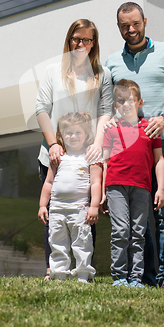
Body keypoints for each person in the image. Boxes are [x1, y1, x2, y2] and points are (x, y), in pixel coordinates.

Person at [105, 2, 164, 290]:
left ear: (145, 20)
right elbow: (107, 105)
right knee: (135, 217)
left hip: (162, 142)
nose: (130, 29)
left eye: (135, 23)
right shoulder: (111, 62)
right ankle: (144, 275)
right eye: (124, 26)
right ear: (118, 27)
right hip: (126, 148)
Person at [36, 19, 113, 280]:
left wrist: (99, 146)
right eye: (76, 39)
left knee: (86, 214)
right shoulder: (51, 71)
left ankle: (83, 270)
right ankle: (54, 270)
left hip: (87, 159)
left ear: (94, 44)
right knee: (55, 214)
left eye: (87, 40)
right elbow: (42, 110)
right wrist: (53, 143)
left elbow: (105, 112)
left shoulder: (102, 74)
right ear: (69, 40)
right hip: (55, 157)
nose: (81, 44)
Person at [102, 79, 164, 287]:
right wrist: (102, 191)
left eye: (130, 99)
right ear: (115, 105)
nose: (125, 104)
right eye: (120, 101)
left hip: (142, 187)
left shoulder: (150, 129)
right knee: (121, 230)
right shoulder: (111, 129)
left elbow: (159, 160)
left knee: (138, 233)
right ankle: (119, 276)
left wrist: (161, 189)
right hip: (115, 185)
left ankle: (136, 278)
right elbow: (105, 160)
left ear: (139, 102)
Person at [38, 112, 102, 282]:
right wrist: (43, 205)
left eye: (78, 132)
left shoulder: (91, 157)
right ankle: (59, 274)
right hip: (57, 209)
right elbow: (49, 183)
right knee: (57, 243)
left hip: (80, 209)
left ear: (86, 134)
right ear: (61, 135)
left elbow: (96, 183)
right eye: (69, 133)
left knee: (82, 243)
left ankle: (83, 275)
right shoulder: (58, 158)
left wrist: (94, 206)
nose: (73, 136)